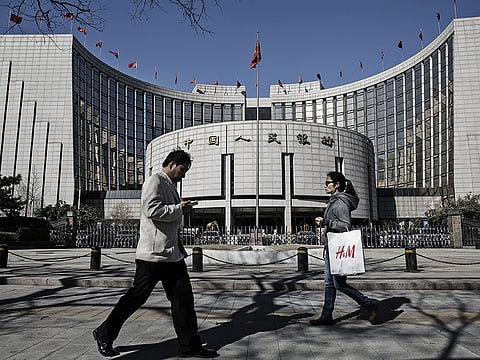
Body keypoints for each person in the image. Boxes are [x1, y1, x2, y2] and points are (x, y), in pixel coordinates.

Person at [93, 149, 219, 358]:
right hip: (153, 256)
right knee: (135, 298)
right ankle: (104, 333)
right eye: (182, 169)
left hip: (171, 256)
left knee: (183, 300)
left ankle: (190, 346)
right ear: (171, 164)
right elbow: (152, 210)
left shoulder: (169, 184)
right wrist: (179, 208)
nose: (184, 174)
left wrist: (180, 207)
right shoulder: (155, 181)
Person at [309, 171, 379, 326]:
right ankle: (327, 315)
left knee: (338, 284)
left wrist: (326, 222)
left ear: (337, 185)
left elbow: (346, 225)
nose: (325, 186)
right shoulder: (334, 201)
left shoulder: (340, 202)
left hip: (337, 249)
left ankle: (369, 304)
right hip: (331, 247)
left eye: (328, 183)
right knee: (329, 283)